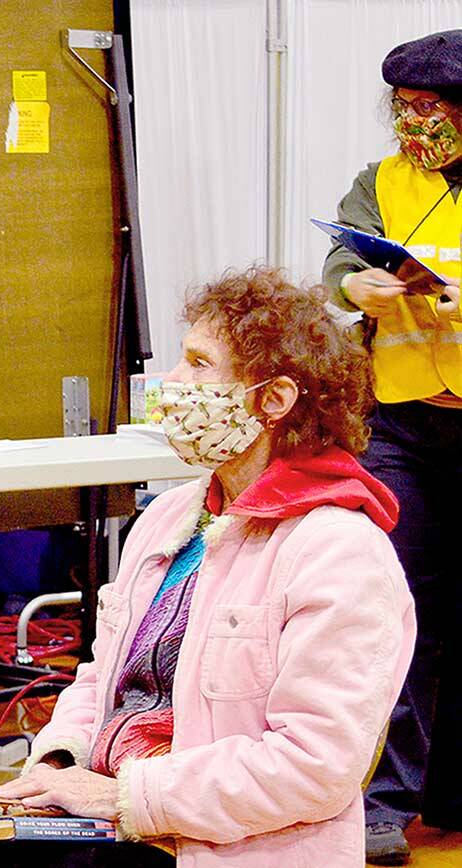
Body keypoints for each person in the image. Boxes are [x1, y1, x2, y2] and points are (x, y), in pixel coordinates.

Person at [0, 268, 414, 868]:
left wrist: (120, 795)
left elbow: (314, 767)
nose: (172, 385)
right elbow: (102, 679)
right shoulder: (172, 516)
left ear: (274, 401)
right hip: (115, 823)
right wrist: (59, 764)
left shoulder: (339, 550)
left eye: (199, 365)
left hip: (212, 845)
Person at [321, 28, 462, 866]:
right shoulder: (383, 180)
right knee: (402, 610)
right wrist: (352, 282)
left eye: (435, 109)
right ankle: (385, 802)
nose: (417, 124)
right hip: (404, 423)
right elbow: (341, 251)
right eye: (405, 108)